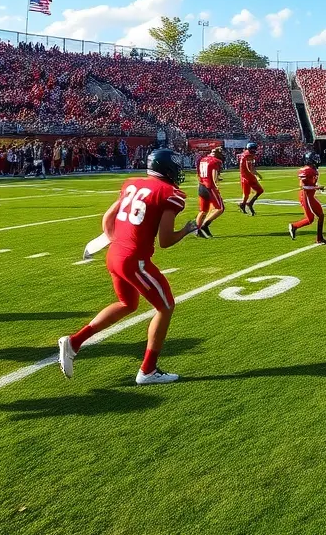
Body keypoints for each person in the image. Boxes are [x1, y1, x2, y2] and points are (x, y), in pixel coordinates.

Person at [57, 149, 197, 385]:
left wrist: (117, 240)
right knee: (166, 307)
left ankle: (74, 342)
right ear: (167, 168)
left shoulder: (132, 184)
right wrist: (187, 229)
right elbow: (165, 241)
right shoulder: (170, 193)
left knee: (127, 304)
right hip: (135, 260)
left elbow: (107, 219)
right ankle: (148, 370)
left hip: (114, 255)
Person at [288, 151, 326, 244]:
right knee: (310, 219)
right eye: (314, 158)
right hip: (305, 195)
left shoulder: (313, 170)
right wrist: (317, 187)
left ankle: (319, 238)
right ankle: (294, 226)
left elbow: (311, 183)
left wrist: (316, 186)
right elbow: (302, 187)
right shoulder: (306, 170)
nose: (317, 160)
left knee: (321, 215)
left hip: (310, 196)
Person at [194, 146, 225, 238]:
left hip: (201, 185)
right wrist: (216, 185)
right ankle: (205, 225)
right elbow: (214, 175)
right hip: (210, 187)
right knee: (220, 208)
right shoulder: (215, 161)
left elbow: (199, 173)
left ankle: (197, 230)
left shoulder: (203, 159)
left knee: (203, 210)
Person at [237, 141, 264, 216]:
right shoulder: (249, 156)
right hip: (249, 177)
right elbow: (250, 169)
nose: (255, 151)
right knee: (260, 190)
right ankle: (250, 203)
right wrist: (258, 175)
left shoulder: (244, 154)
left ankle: (243, 204)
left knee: (246, 194)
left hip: (243, 176)